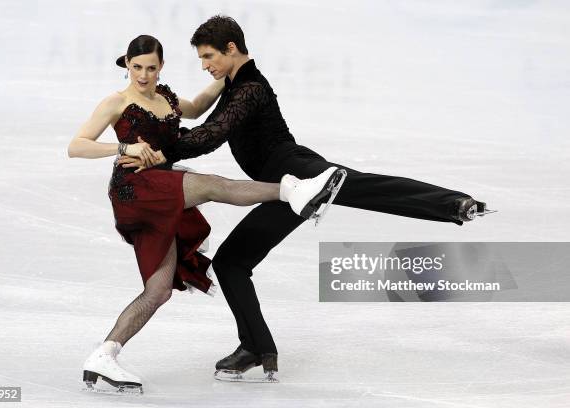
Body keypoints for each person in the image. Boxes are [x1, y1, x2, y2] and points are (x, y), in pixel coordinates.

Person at [119, 17, 493, 383]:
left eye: (208, 57)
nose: (204, 66)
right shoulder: (235, 84)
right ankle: (256, 347)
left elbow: (210, 136)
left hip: (293, 169)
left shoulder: (250, 88)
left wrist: (155, 149)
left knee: (365, 188)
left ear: (231, 49)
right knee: (232, 262)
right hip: (277, 184)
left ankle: (453, 205)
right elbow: (202, 121)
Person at [67, 34, 345, 393]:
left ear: (161, 66)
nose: (143, 75)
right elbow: (76, 146)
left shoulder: (165, 98)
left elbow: (197, 107)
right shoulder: (117, 102)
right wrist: (124, 145)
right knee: (212, 184)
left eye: (151, 67)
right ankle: (295, 190)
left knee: (159, 289)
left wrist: (232, 69)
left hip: (160, 189)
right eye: (137, 67)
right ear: (127, 65)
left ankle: (104, 353)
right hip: (134, 188)